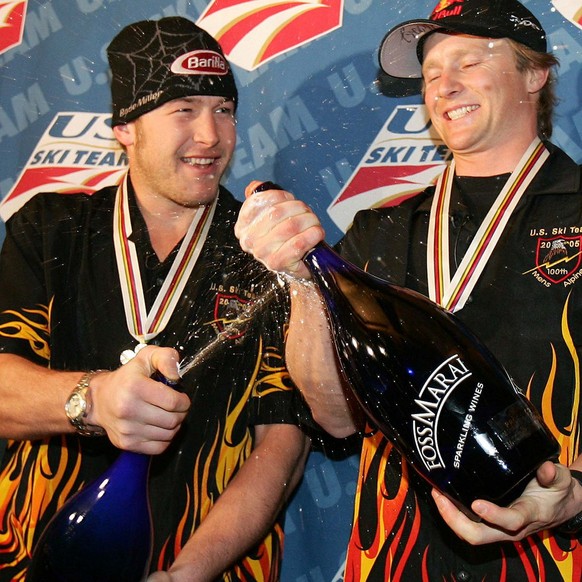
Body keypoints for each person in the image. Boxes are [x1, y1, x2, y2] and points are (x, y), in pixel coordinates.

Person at [234, 0, 582, 579]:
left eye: (468, 63)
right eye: (429, 75)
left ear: (534, 73)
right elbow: (336, 415)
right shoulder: (379, 228)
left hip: (557, 554)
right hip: (398, 559)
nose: (444, 85)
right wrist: (299, 280)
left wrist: (575, 498)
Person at [0, 17, 311, 582]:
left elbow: (283, 444)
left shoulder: (265, 250)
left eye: (224, 109)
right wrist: (91, 400)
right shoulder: (52, 229)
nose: (211, 136)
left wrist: (187, 573)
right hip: (35, 558)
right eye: (184, 110)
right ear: (126, 126)